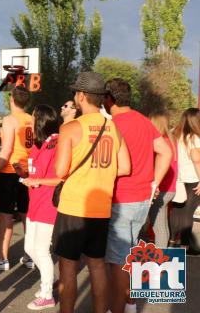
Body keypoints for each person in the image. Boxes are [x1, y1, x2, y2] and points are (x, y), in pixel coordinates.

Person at [53, 72, 130, 313]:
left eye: (76, 92)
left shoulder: (71, 128)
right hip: (102, 207)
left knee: (67, 267)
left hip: (74, 208)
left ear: (83, 96)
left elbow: (60, 170)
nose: (75, 96)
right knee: (97, 266)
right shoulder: (113, 126)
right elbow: (125, 167)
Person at [103, 78, 172, 313]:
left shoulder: (113, 124)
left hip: (121, 199)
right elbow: (165, 151)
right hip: (142, 198)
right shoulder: (144, 122)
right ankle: (130, 304)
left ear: (109, 99)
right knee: (130, 254)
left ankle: (118, 308)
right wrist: (154, 184)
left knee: (118, 261)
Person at [13, 104, 62, 310]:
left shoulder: (57, 143)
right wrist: (24, 174)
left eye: (33, 118)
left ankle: (47, 293)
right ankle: (48, 282)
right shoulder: (39, 144)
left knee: (41, 250)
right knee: (29, 248)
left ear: (41, 120)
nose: (31, 122)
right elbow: (37, 173)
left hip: (48, 205)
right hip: (35, 202)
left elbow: (60, 178)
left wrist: (37, 180)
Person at [0, 85, 33, 271]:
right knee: (26, 215)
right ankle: (29, 256)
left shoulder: (10, 119)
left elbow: (7, 148)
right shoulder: (32, 119)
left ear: (12, 99)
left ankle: (2, 258)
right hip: (27, 172)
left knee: (5, 216)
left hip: (11, 172)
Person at [144, 112, 177, 248]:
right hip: (170, 189)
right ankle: (161, 258)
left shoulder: (158, 144)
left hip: (160, 189)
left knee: (158, 227)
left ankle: (159, 259)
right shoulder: (172, 141)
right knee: (161, 226)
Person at [169, 108, 200, 252]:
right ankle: (185, 246)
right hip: (193, 179)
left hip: (178, 178)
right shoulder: (195, 138)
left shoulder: (175, 134)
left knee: (177, 211)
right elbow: (196, 160)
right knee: (188, 212)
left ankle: (171, 241)